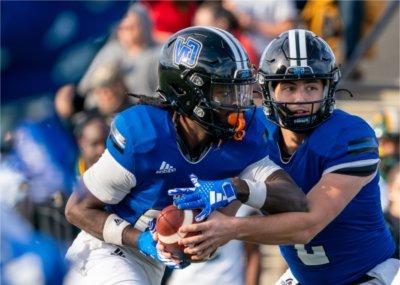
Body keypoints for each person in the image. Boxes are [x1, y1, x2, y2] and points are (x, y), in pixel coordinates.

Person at [64, 26, 308, 285]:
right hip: (103, 251)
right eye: (225, 92)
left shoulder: (242, 136)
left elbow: (295, 201)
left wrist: (237, 187)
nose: (237, 103)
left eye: (239, 90)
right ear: (187, 92)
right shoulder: (145, 135)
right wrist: (142, 239)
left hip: (150, 266)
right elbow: (77, 208)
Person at [172, 29, 399, 284]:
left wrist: (229, 230)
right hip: (304, 278)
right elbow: (228, 207)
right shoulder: (252, 132)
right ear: (269, 90)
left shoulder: (349, 135)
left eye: (311, 87)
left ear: (328, 88)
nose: (300, 99)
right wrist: (196, 233)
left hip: (371, 275)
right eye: (289, 87)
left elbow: (308, 225)